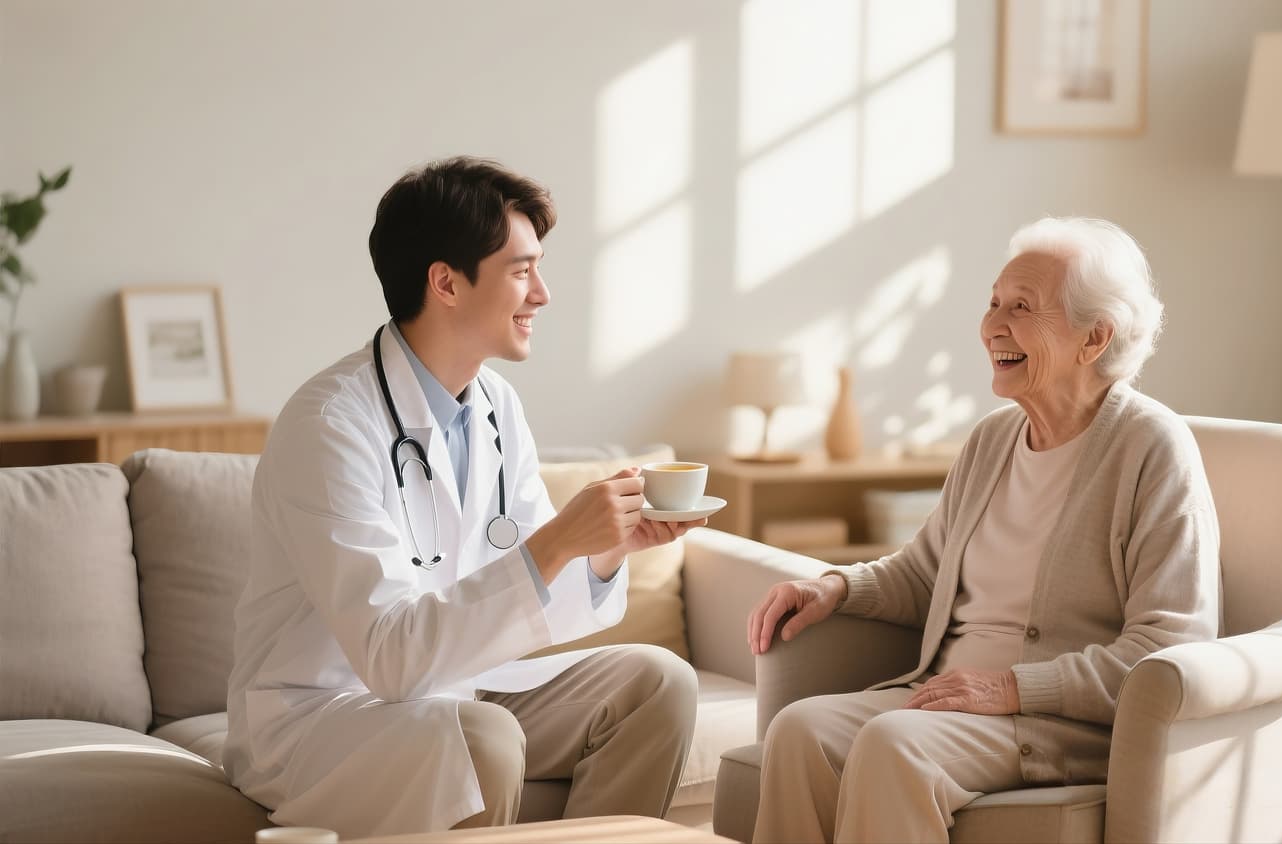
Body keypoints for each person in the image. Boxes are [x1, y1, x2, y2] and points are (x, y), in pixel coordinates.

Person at [223, 156, 704, 838]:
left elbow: (529, 593)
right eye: (520, 270)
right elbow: (391, 659)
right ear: (445, 283)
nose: (542, 293)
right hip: (323, 714)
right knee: (483, 741)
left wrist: (601, 553)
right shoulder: (330, 425)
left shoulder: (494, 403)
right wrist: (560, 540)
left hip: (457, 686)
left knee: (656, 683)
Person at [746, 217, 1222, 843]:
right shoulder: (993, 439)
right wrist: (835, 588)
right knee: (800, 730)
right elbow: (923, 573)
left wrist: (1010, 689)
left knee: (896, 744)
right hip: (947, 701)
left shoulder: (1150, 448)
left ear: (1094, 337)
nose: (992, 325)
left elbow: (1166, 648)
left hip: (1057, 724)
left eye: (1022, 308)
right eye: (994, 302)